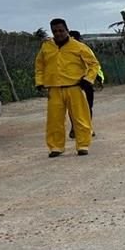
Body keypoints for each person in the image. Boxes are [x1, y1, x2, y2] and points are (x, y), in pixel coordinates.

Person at [35, 18, 99, 157]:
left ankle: (83, 145)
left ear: (67, 30)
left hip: (74, 87)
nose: (58, 33)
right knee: (54, 120)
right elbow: (40, 66)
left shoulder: (78, 46)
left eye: (61, 30)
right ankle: (56, 147)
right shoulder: (46, 47)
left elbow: (94, 64)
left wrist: (88, 79)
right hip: (54, 89)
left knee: (80, 118)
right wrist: (39, 82)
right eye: (55, 31)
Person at [68, 30, 103, 139]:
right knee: (74, 108)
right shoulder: (65, 51)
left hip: (85, 82)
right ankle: (75, 128)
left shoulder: (84, 49)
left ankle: (87, 128)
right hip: (73, 83)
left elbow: (95, 65)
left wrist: (97, 78)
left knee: (86, 107)